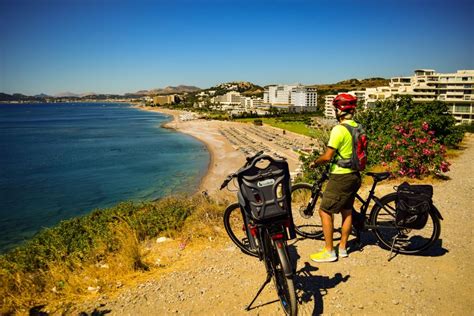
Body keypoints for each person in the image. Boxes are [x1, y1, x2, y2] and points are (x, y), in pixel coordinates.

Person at [309, 93, 362, 262]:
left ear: (339, 110)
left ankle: (329, 251)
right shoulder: (358, 127)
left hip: (341, 177)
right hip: (355, 175)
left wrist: (315, 163)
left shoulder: (339, 129)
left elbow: (327, 156)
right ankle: (343, 248)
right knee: (347, 211)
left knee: (325, 211)